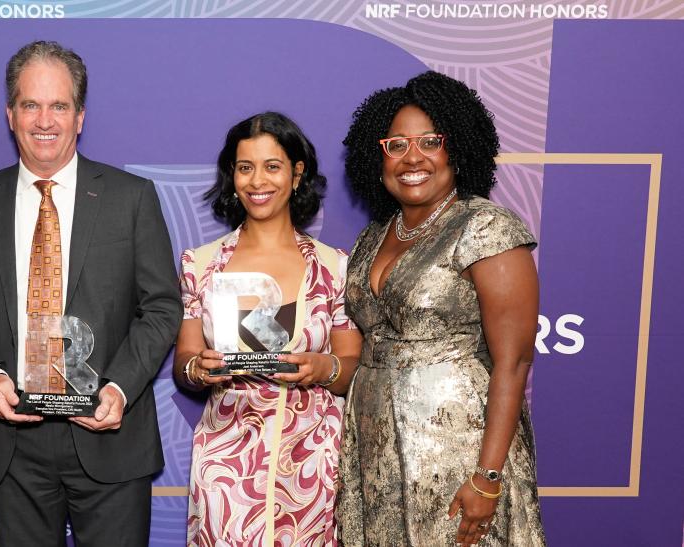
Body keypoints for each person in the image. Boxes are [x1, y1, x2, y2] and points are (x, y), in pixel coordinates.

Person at [0, 41, 181, 546]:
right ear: (10, 115)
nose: (43, 120)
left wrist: (117, 388)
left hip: (109, 435)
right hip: (15, 441)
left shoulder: (131, 198)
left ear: (80, 116)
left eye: (58, 106)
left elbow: (160, 307)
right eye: (30, 105)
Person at [335, 71, 546, 546]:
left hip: (458, 450)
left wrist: (487, 477)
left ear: (457, 148)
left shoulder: (486, 228)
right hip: (375, 449)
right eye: (396, 145)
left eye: (431, 141)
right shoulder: (372, 237)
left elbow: (513, 363)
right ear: (378, 156)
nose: (413, 157)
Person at [174, 112, 362, 545]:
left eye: (272, 166)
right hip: (226, 470)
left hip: (315, 468)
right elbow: (183, 363)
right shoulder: (200, 265)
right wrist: (198, 370)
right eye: (245, 167)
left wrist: (323, 368)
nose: (258, 181)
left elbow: (351, 366)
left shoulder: (334, 266)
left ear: (297, 173)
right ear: (232, 176)